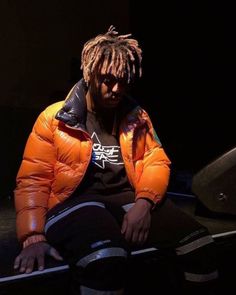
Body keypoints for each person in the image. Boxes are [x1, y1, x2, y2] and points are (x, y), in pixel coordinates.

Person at [14, 26, 219, 294]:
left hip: (124, 198)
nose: (116, 89)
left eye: (123, 81)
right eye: (108, 80)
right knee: (106, 257)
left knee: (200, 244)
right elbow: (33, 179)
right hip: (73, 202)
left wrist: (144, 205)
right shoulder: (54, 118)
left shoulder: (137, 116)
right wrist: (32, 237)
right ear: (90, 74)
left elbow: (155, 161)